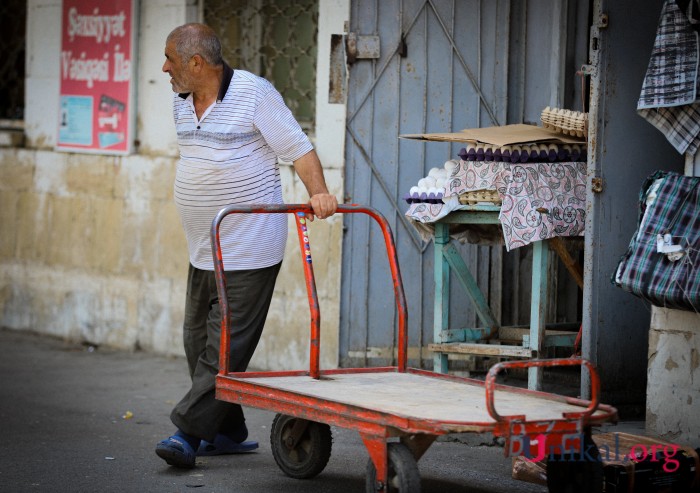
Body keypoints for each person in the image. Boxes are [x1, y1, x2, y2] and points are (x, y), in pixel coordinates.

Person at [156, 23, 338, 469]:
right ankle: (228, 430)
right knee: (195, 339)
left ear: (196, 63)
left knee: (223, 346)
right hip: (204, 245)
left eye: (171, 60)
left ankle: (188, 434)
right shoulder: (182, 101)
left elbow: (299, 148)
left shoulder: (255, 94)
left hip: (250, 244)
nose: (164, 68)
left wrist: (320, 193)